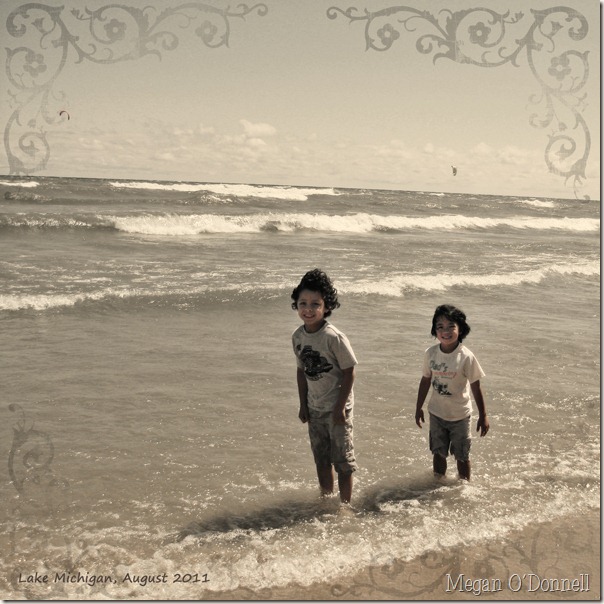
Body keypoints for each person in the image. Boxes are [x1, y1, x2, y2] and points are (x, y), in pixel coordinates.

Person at [291, 269, 358, 503]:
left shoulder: (333, 337)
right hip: (315, 408)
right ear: (296, 305)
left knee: (343, 462)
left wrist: (340, 406)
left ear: (326, 307)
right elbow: (301, 371)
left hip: (337, 409)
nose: (308, 309)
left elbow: (350, 372)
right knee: (321, 460)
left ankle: (345, 506)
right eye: (303, 303)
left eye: (315, 304)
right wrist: (303, 405)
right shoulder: (298, 337)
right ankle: (326, 501)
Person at [415, 304, 489, 480]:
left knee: (462, 456)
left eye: (451, 327)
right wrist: (418, 408)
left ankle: (464, 489)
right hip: (437, 413)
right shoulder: (431, 354)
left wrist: (483, 415)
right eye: (440, 327)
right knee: (438, 453)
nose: (445, 331)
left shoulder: (466, 357)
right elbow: (425, 380)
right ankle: (437, 485)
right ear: (435, 330)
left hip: (460, 416)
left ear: (460, 329)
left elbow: (476, 386)